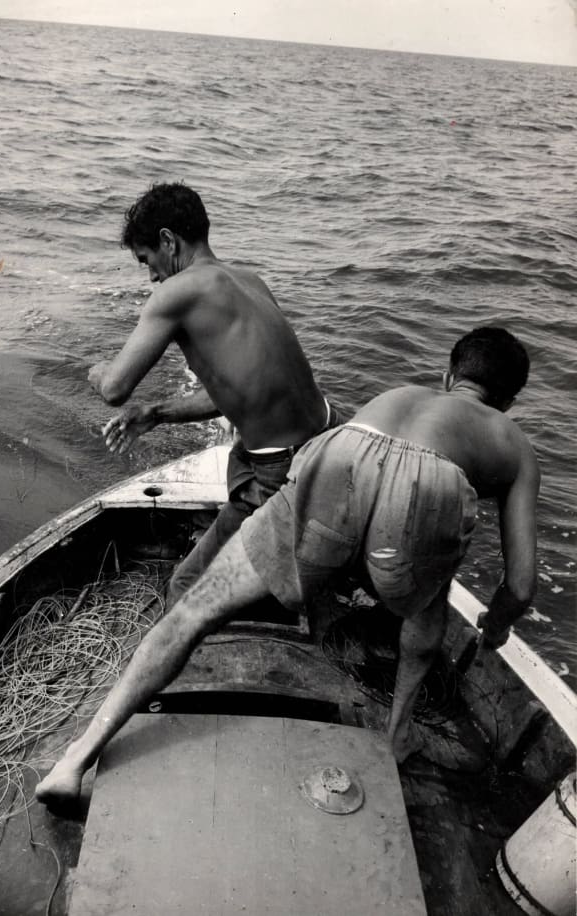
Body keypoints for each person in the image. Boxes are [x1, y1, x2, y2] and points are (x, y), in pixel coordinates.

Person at [37, 326, 539, 806]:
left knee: (194, 610)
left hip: (341, 450)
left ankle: (76, 758)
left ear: (449, 377)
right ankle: (397, 735)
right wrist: (493, 628)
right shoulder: (512, 442)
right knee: (429, 605)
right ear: (509, 401)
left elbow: (363, 487)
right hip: (434, 485)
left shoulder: (402, 395)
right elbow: (519, 584)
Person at [87, 182, 342, 601]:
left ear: (168, 241)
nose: (151, 275)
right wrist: (158, 412)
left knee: (187, 588)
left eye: (147, 260)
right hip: (330, 440)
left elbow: (115, 388)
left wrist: (94, 371)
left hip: (283, 466)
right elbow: (242, 393)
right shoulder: (250, 281)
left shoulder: (177, 291)